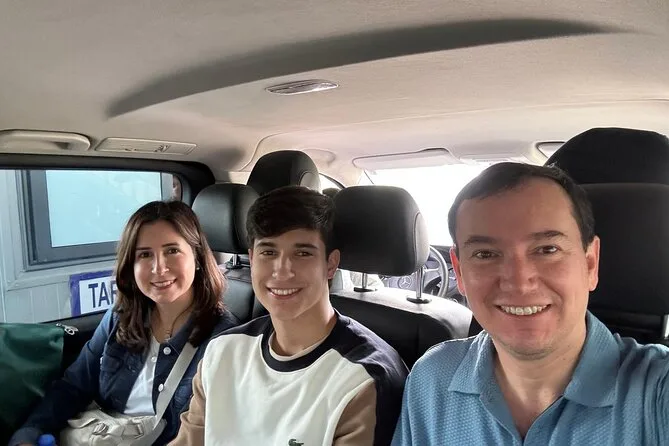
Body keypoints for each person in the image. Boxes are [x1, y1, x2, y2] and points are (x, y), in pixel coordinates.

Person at [392, 162, 669, 445]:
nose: (519, 282)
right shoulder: (432, 379)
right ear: (460, 272)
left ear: (590, 264)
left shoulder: (658, 391)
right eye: (486, 254)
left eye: (547, 249)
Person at [170, 186, 408, 445]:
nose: (282, 271)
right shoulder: (222, 352)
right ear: (252, 258)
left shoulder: (363, 378)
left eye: (302, 253)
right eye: (268, 252)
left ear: (330, 264)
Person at [10, 200, 239, 446]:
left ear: (196, 256)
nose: (159, 268)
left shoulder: (224, 338)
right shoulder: (120, 317)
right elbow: (73, 387)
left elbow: (211, 433)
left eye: (172, 251)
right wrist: (29, 434)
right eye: (145, 254)